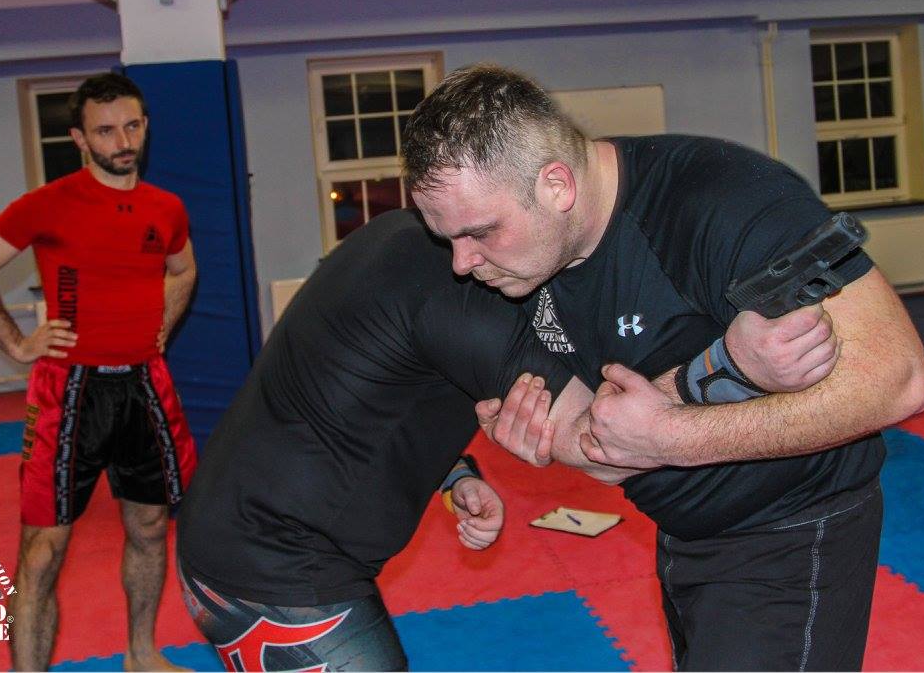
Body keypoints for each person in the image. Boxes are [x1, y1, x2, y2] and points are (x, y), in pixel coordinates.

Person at [401, 63, 924, 671]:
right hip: (682, 536)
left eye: (479, 233)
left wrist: (670, 436)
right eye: (447, 239)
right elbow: (609, 447)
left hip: (792, 530)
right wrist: (569, 442)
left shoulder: (723, 199)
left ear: (556, 186)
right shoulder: (523, 262)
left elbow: (899, 378)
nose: (461, 263)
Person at [174, 205, 827, 672]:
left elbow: (370, 391)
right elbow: (604, 444)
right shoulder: (468, 300)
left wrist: (455, 473)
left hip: (241, 531)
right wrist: (730, 368)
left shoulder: (400, 238)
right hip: (269, 569)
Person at [0, 73, 197, 672]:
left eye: (131, 126)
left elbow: (183, 270)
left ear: (145, 126)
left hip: (144, 385)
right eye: (105, 131)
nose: (122, 141)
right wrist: (16, 343)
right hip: (70, 391)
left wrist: (162, 323)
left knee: (149, 525)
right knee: (42, 549)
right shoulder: (49, 204)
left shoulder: (166, 208)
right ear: (80, 139)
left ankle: (141, 655)